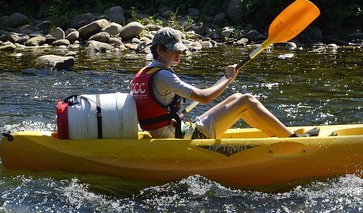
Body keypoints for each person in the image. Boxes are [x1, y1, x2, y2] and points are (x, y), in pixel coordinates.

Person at [132, 27, 311, 139]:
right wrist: (227, 78)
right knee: (247, 100)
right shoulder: (164, 76)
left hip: (173, 131)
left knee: (237, 97)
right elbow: (205, 97)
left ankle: (276, 133)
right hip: (180, 138)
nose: (178, 54)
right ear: (159, 50)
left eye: (179, 50)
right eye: (173, 50)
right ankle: (292, 139)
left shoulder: (143, 73)